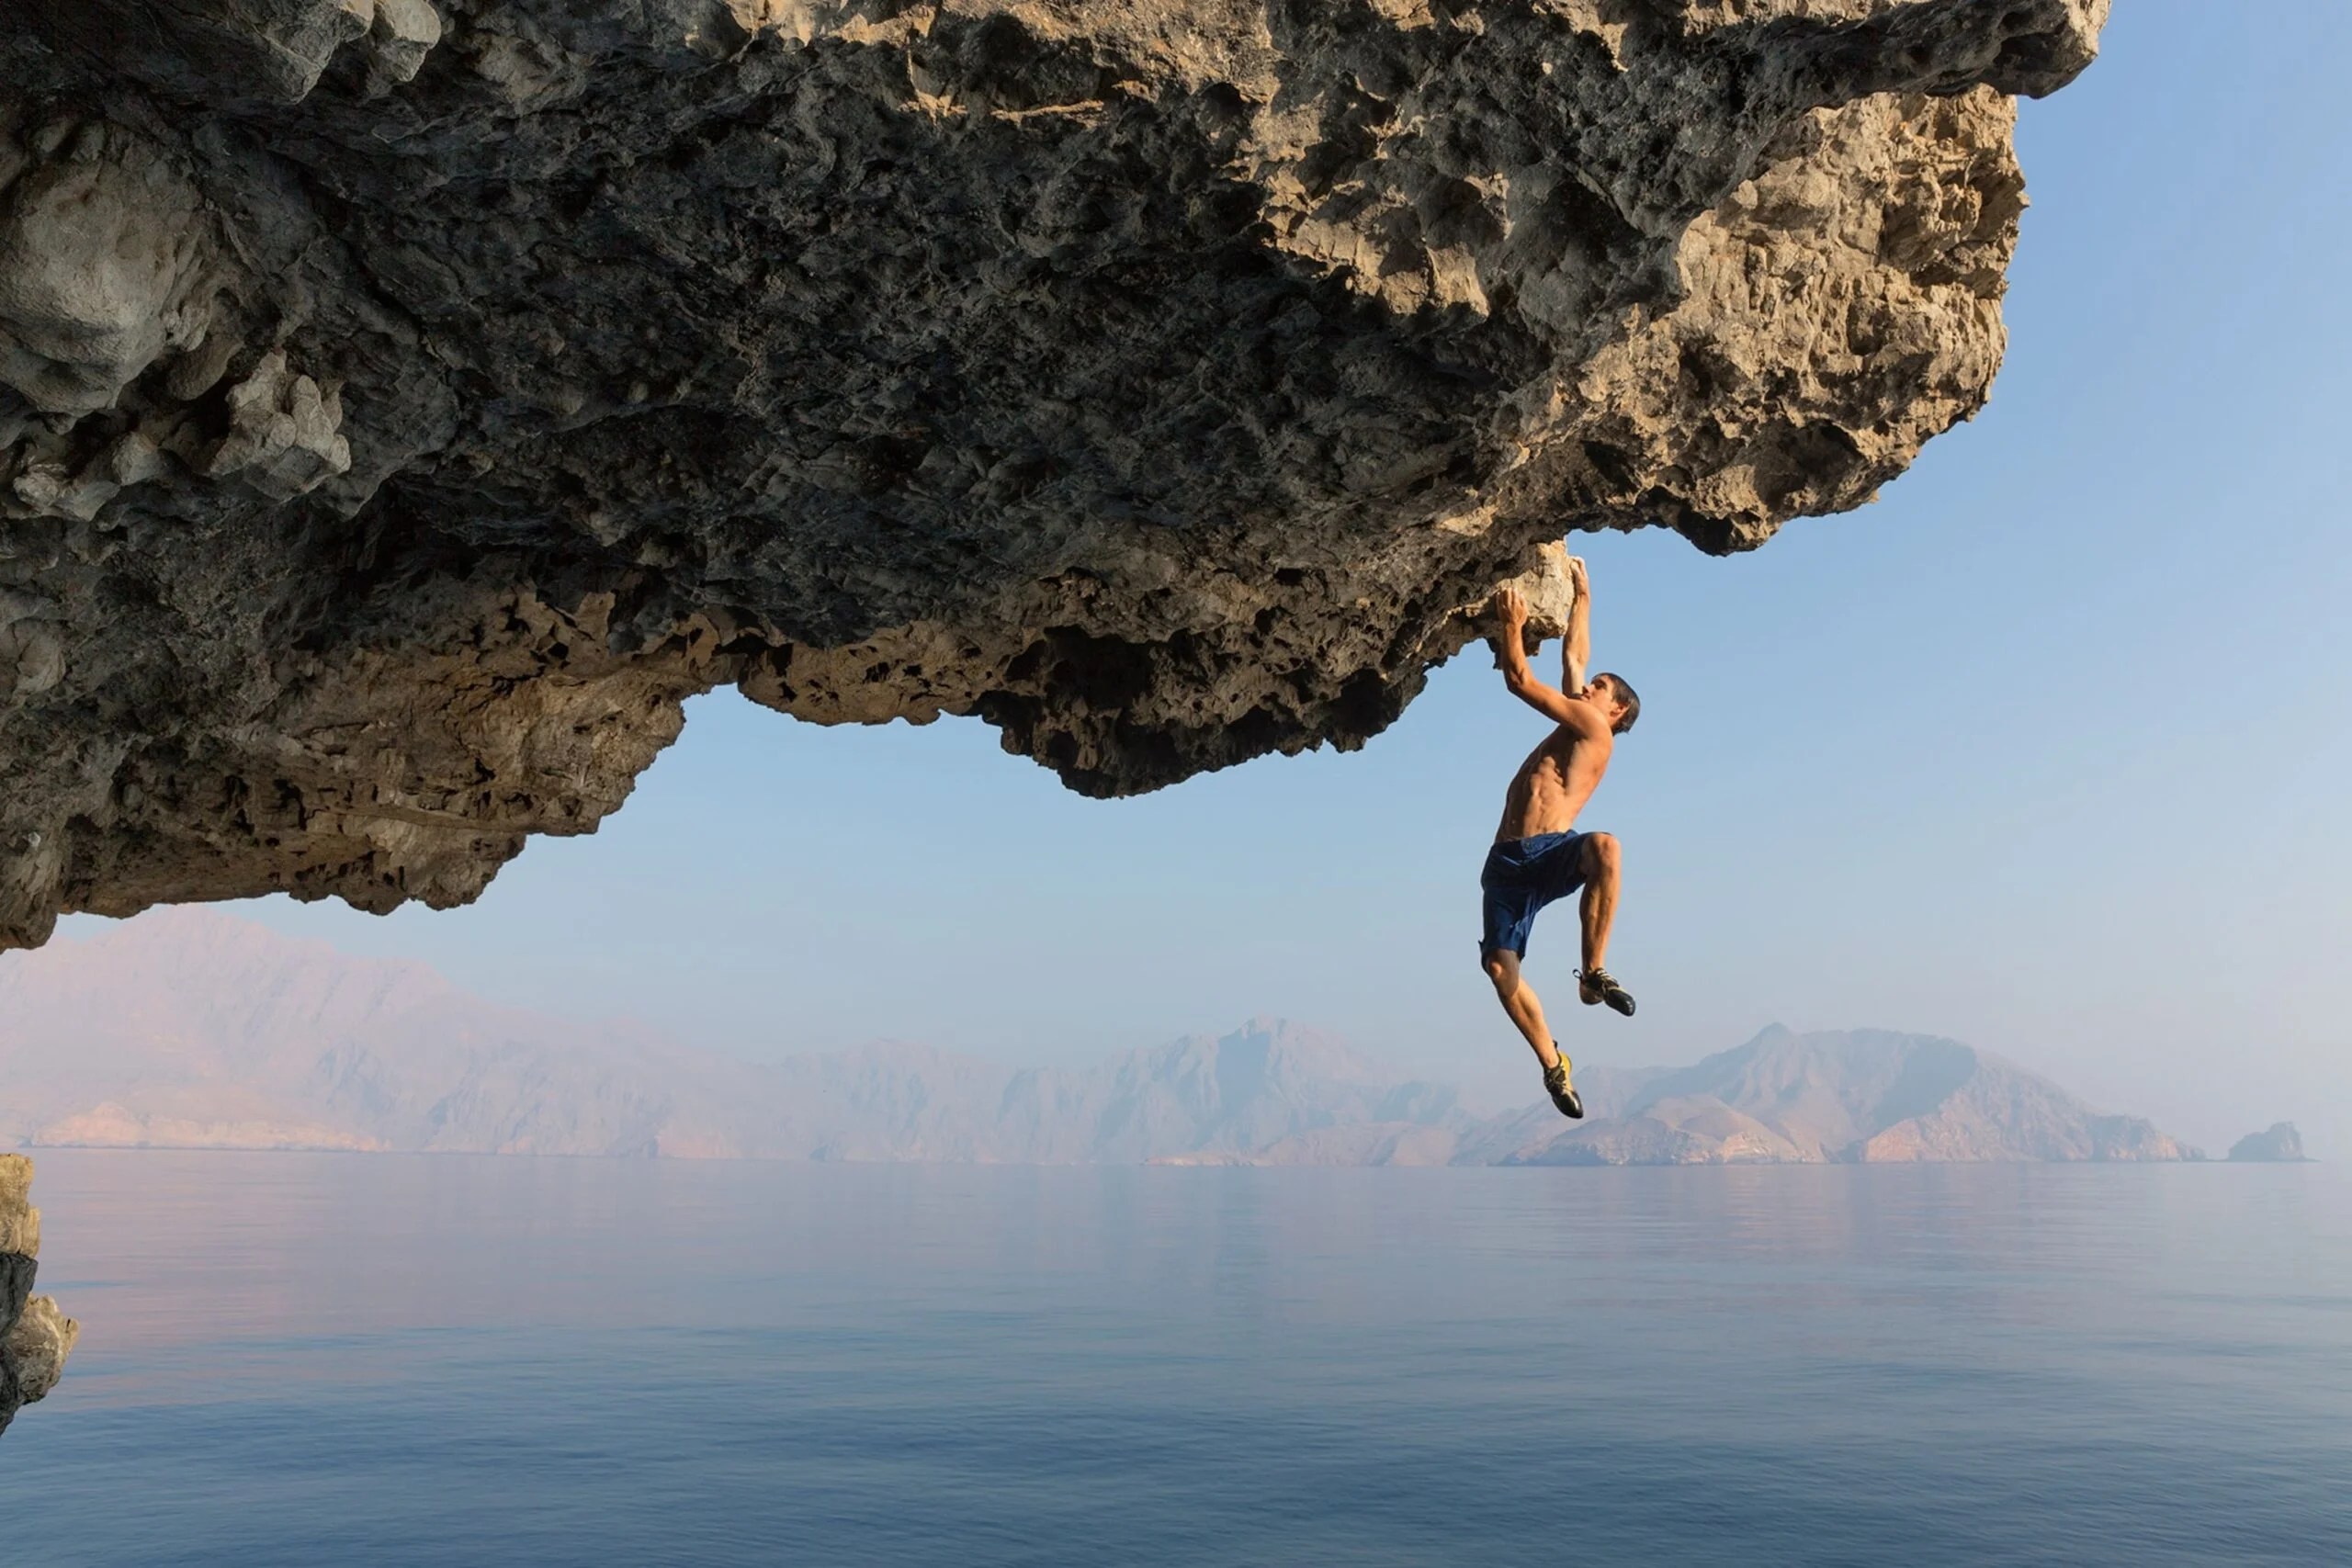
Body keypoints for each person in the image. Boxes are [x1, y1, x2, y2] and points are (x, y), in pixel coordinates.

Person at [1481, 558, 1640, 1121]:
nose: (1587, 684)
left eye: (1599, 688)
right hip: (1505, 862)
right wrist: (1583, 593)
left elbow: (1520, 679)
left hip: (1549, 852)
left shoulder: (1595, 729)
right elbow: (1575, 656)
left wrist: (1512, 624)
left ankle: (1593, 970)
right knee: (1501, 971)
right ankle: (1554, 1064)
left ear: (1614, 710)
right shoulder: (1580, 719)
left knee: (1606, 847)